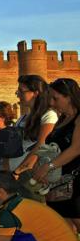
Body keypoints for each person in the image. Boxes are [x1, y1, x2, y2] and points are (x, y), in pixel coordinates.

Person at [34, 78, 80, 228]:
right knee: (64, 228)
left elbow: (76, 148)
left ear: (68, 96)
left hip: (76, 183)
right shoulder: (62, 120)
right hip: (58, 184)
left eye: (56, 98)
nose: (52, 103)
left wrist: (49, 166)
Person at [14, 75, 58, 173]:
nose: (17, 94)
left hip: (28, 175)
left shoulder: (49, 116)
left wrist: (17, 172)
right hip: (15, 171)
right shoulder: (22, 118)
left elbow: (41, 147)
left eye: (21, 91)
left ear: (35, 93)